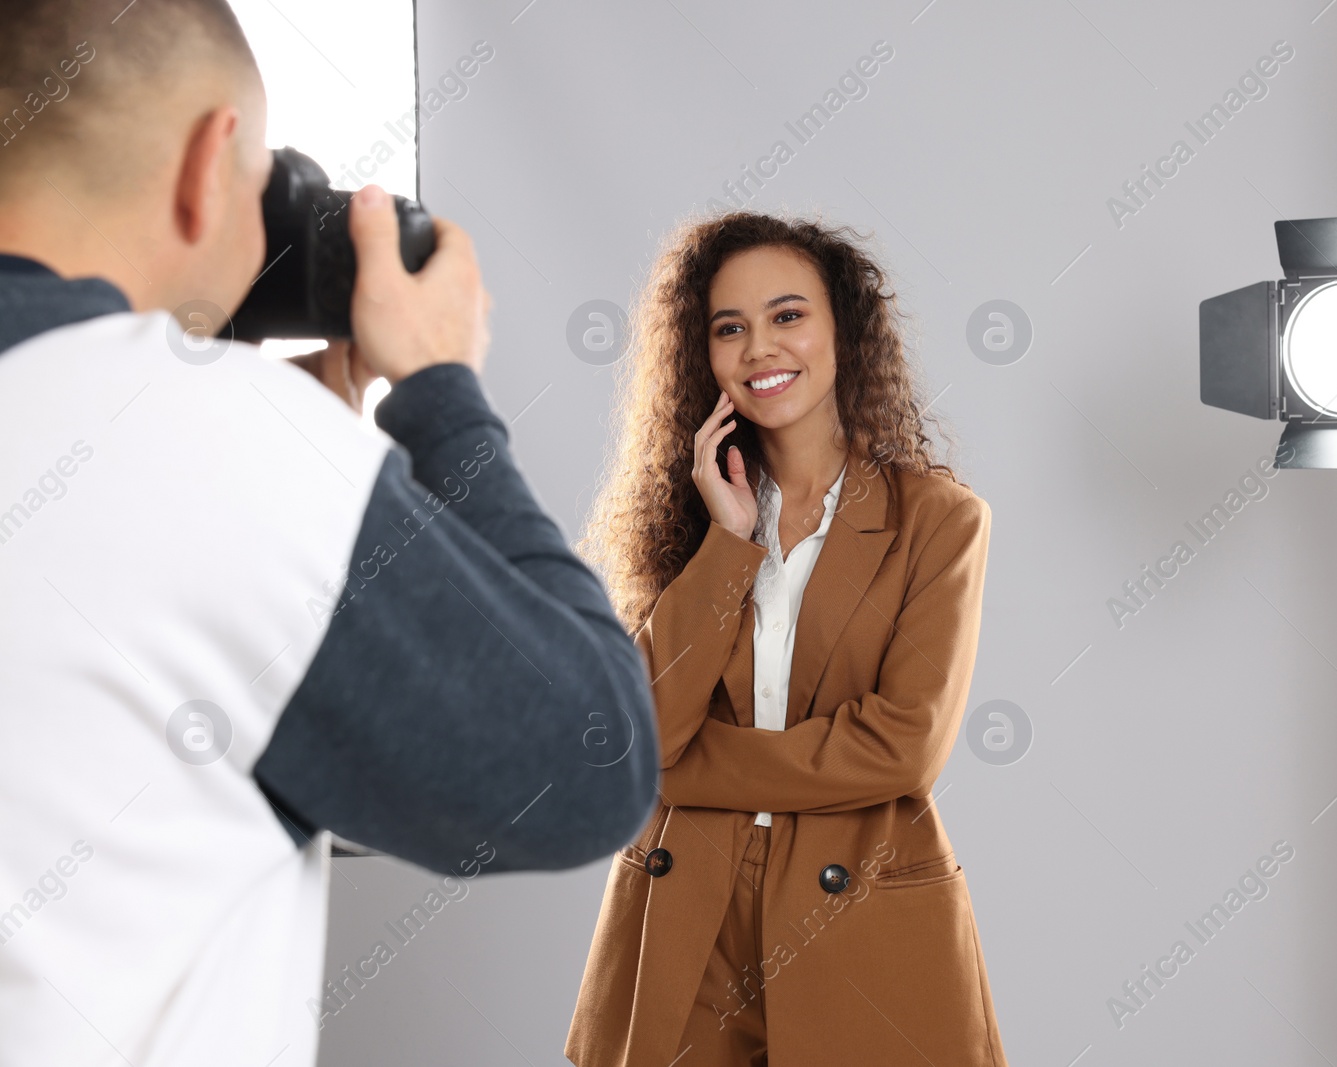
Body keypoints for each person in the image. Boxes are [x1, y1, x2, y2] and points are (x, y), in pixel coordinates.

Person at [0, 2, 658, 1064]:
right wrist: (440, 393)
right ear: (211, 163)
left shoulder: (207, 452)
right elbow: (589, 762)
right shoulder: (204, 438)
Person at [566, 212, 1009, 1065]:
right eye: (729, 327)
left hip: (863, 920)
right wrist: (728, 545)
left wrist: (688, 770)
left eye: (788, 315)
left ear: (846, 330)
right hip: (685, 920)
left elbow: (902, 748)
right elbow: (645, 728)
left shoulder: (940, 521)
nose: (760, 347)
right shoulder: (686, 522)